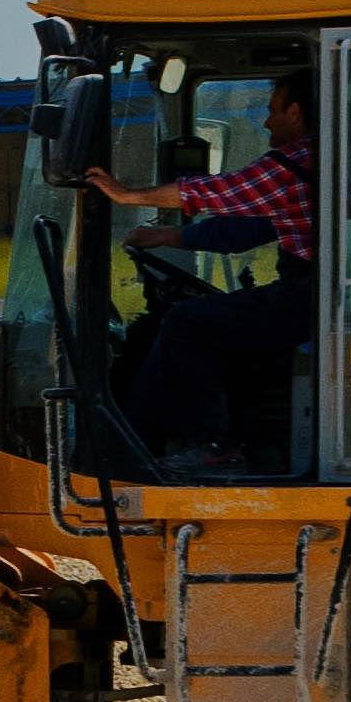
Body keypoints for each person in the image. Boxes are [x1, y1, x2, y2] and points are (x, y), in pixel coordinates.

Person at [90, 81, 315, 466]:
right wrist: (165, 236)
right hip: (334, 297)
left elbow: (216, 192)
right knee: (227, 325)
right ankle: (247, 439)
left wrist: (127, 195)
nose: (266, 122)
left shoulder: (295, 164)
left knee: (185, 323)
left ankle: (212, 445)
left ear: (295, 112)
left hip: (308, 297)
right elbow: (247, 229)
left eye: (273, 110)